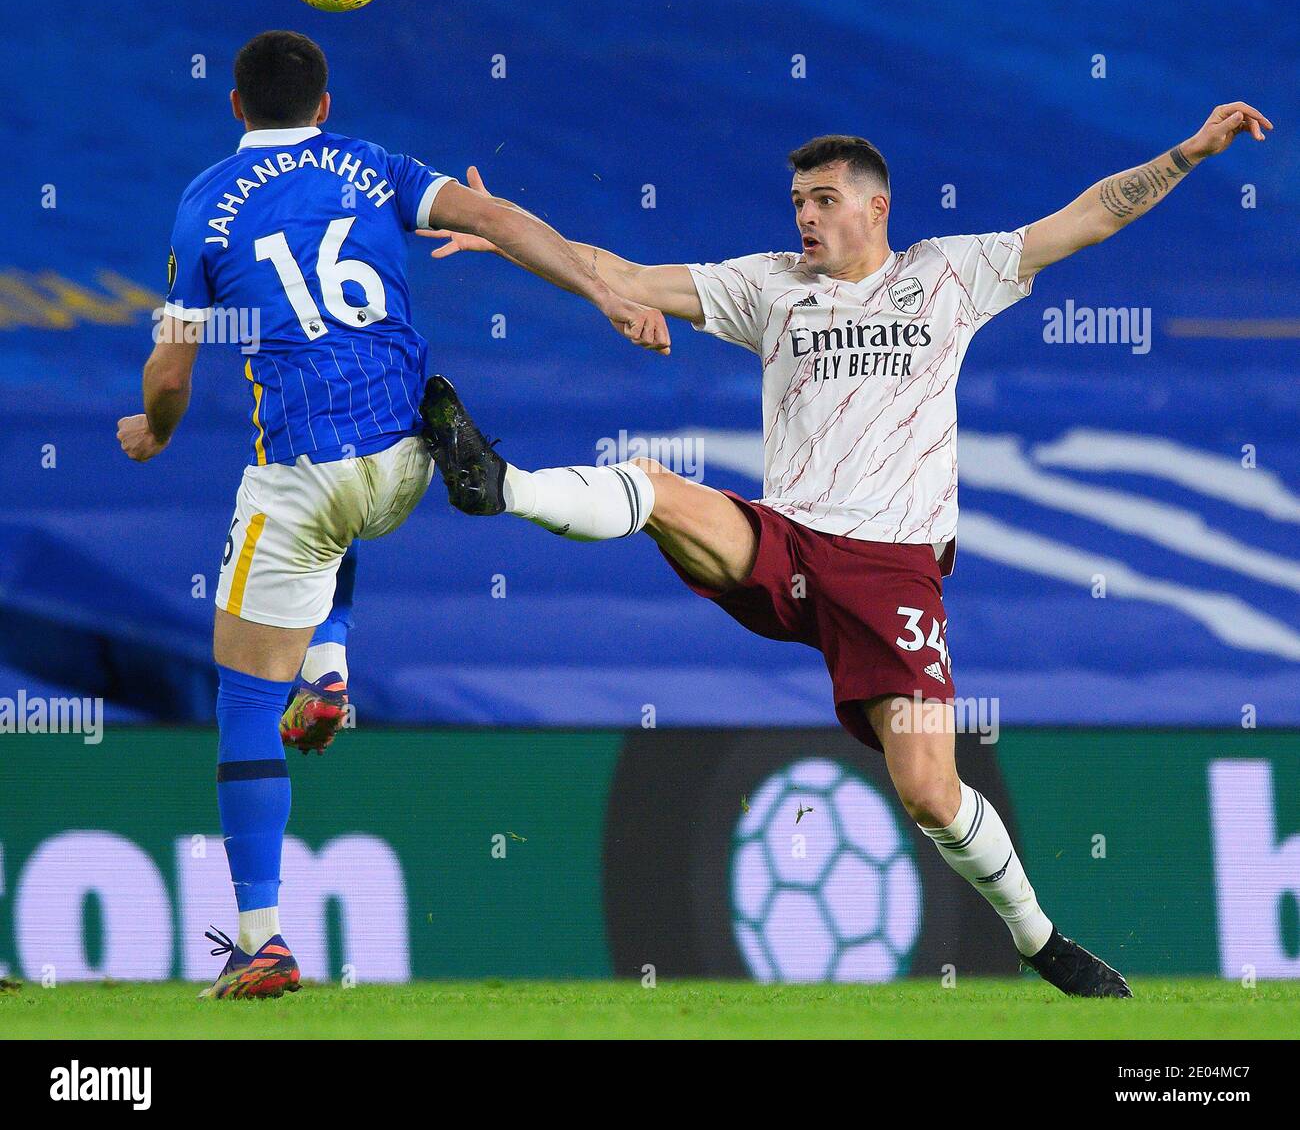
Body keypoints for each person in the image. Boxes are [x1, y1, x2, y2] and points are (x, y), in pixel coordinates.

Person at [417, 103, 1272, 995]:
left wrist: (1188, 152)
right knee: (654, 485)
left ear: (877, 208)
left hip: (893, 567)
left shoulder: (950, 274)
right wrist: (512, 236)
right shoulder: (769, 285)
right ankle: (499, 486)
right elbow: (621, 273)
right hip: (788, 544)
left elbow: (1090, 217)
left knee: (931, 794)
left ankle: (1040, 942)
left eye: (824, 200)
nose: (806, 218)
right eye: (797, 202)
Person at [116, 29, 668, 999]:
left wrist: (154, 429)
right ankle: (328, 668)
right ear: (323, 106)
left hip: (303, 474)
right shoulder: (373, 166)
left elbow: (171, 373)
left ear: (236, 107)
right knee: (354, 502)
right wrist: (601, 289)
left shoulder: (205, 203)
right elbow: (495, 218)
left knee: (246, 694)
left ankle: (260, 940)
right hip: (406, 462)